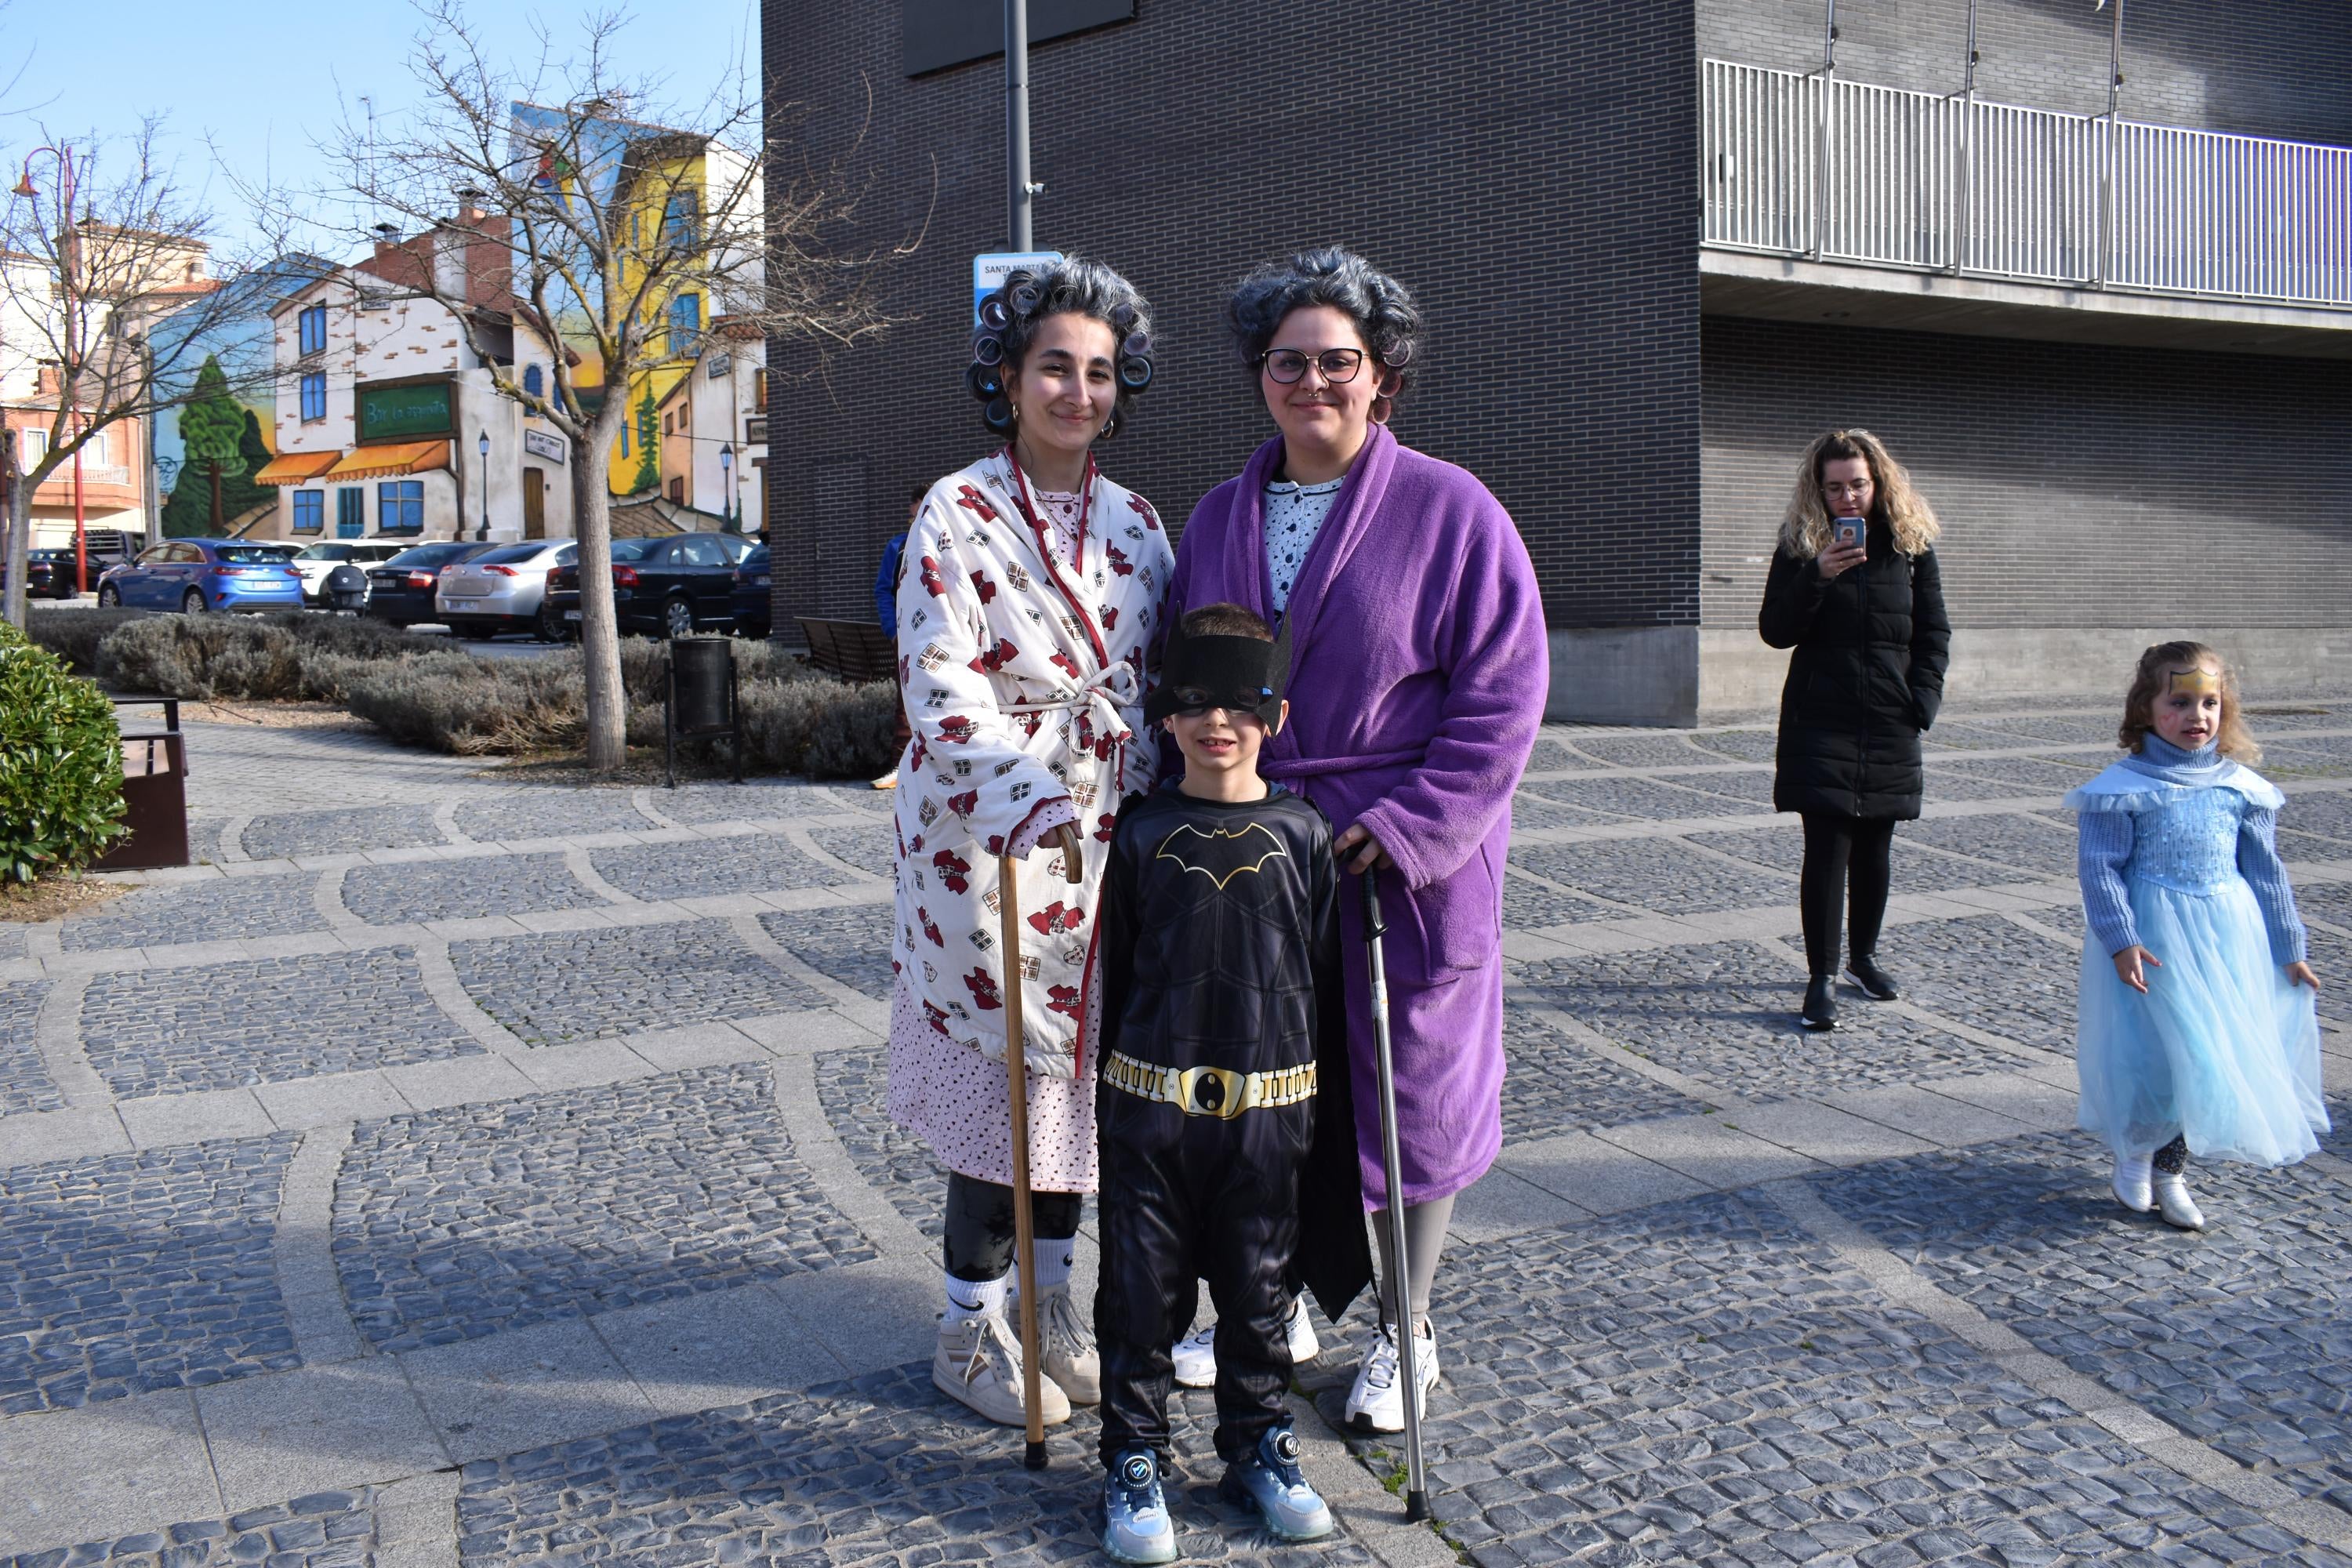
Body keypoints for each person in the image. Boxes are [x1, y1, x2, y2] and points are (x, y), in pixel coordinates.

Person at [1167, 249, 1548, 1436]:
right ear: (1260, 376)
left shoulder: (1453, 510)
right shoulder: (1221, 514)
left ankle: (1405, 1324)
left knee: (1408, 1098)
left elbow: (1504, 694)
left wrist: (1420, 825)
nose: (1314, 380)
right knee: (1264, 1092)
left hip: (1397, 858)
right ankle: (1273, 1298)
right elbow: (1183, 679)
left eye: (1341, 360)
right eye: (1290, 362)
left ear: (1383, 376)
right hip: (1255, 851)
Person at [887, 258, 1171, 1429]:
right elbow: (939, 679)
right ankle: (968, 1326)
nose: (1079, 389)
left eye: (1100, 371)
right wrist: (1028, 791)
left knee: (1078, 1100)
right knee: (1000, 1100)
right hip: (987, 849)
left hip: (1108, 848)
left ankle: (1053, 1310)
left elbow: (1158, 681)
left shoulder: (1138, 524)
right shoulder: (954, 511)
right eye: (1056, 364)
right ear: (1006, 377)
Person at [1092, 604, 1370, 1563]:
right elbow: (1119, 972)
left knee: (1260, 1295)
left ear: (1277, 714)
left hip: (1271, 1114)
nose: (1218, 723)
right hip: (1151, 1110)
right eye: (1195, 702)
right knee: (1138, 1292)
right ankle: (1134, 1456)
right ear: (1165, 715)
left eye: (1241, 705)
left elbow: (1324, 981)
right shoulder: (1138, 833)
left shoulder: (1302, 833)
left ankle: (1258, 1440)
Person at [2067, 641, 2327, 1230]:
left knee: (2208, 1057)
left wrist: (2290, 949)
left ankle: (2171, 1170)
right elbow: (2099, 867)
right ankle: (2135, 1154)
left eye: (2209, 703)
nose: (2196, 716)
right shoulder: (2122, 785)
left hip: (2228, 936)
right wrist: (2120, 937)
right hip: (2156, 939)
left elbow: (2265, 870)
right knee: (2156, 1053)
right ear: (2146, 708)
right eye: (2179, 702)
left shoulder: (2242, 787)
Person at [1758, 428, 1951, 1033]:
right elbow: (1775, 629)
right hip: (1823, 719)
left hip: (1890, 719)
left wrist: (1920, 700)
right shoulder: (1800, 545)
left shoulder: (1911, 546)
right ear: (1819, 489)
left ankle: (1863, 959)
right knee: (1827, 847)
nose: (1848, 498)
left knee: (1875, 847)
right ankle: (1821, 977)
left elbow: (1933, 634)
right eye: (1835, 487)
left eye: (1858, 485)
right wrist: (1817, 573)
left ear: (1879, 482)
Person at [873, 485, 927, 790]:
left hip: (947, 634)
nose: (918, 521)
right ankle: (902, 766)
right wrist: (892, 631)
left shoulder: (952, 543)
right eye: (914, 515)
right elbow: (883, 590)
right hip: (906, 635)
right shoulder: (898, 547)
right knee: (905, 700)